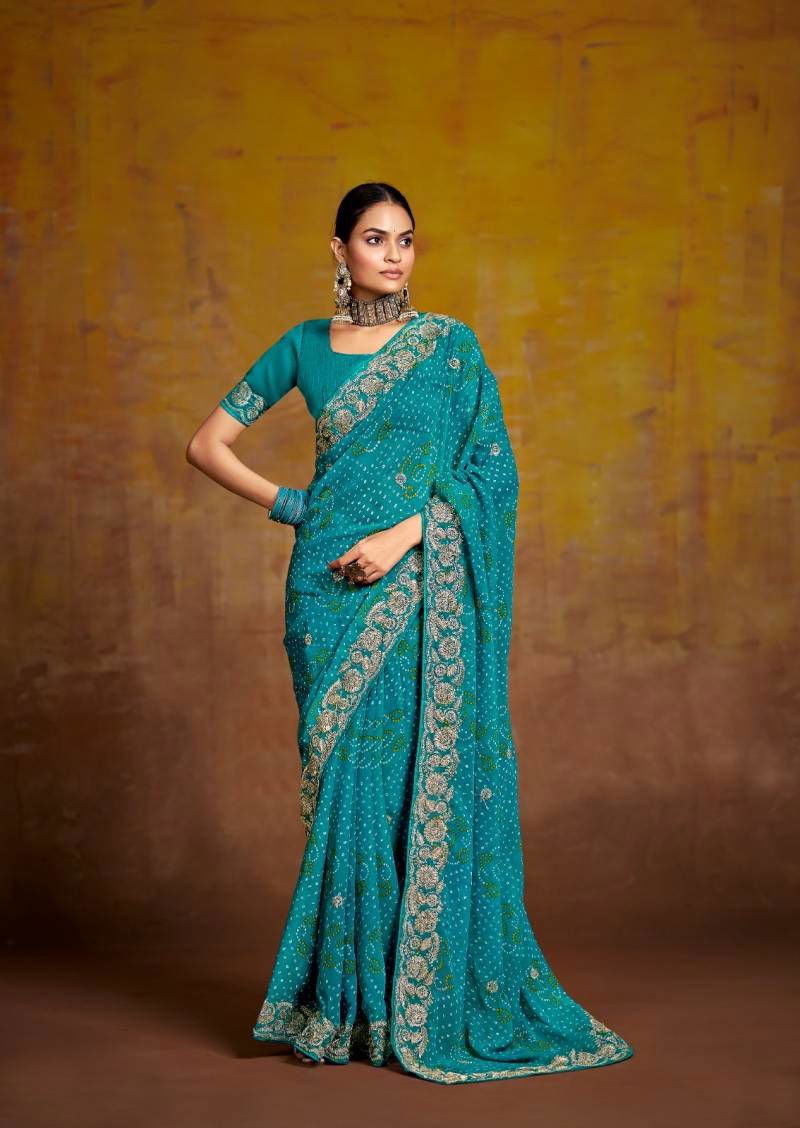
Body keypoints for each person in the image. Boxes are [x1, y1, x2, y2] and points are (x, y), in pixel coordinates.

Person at [185, 182, 635, 1085]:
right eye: (374, 239)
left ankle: (411, 1000)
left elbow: (492, 473)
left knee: (402, 789)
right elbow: (207, 445)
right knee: (349, 791)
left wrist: (405, 534)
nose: (393, 255)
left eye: (406, 240)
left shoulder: (449, 348)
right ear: (339, 250)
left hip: (422, 583)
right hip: (326, 593)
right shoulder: (303, 346)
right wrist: (296, 507)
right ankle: (348, 1007)